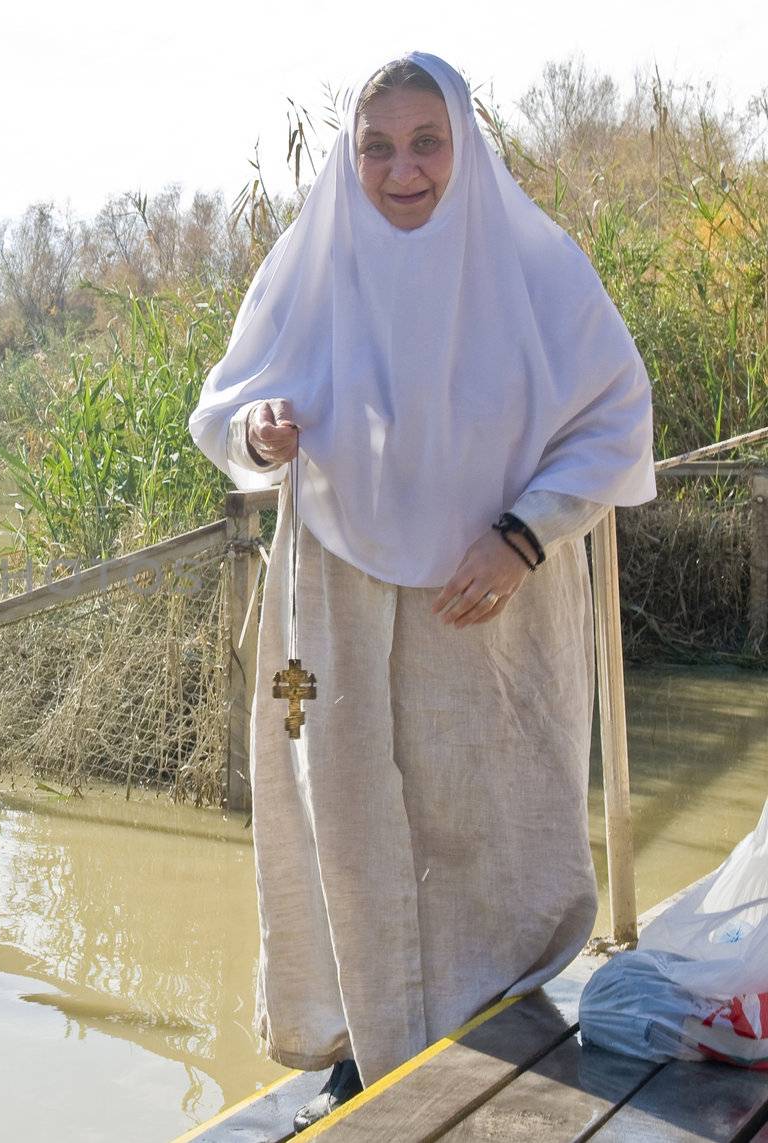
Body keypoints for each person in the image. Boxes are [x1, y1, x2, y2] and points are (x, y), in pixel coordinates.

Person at [187, 51, 656, 1129]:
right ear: (352, 161)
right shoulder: (308, 265)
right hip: (332, 605)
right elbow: (222, 408)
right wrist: (255, 432)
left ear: (465, 148)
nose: (402, 170)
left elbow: (614, 418)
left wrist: (521, 537)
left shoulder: (535, 272)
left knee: (485, 807)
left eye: (425, 143)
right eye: (379, 148)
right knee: (341, 814)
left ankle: (489, 1024)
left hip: (487, 602)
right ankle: (367, 1038)